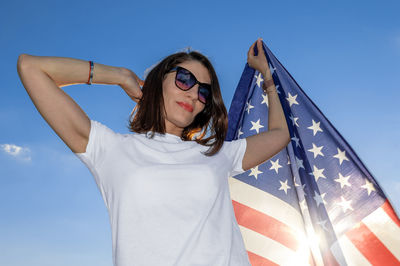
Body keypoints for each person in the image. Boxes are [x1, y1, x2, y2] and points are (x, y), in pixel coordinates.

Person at [17, 38, 290, 266]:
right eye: (185, 79)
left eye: (204, 92)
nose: (194, 94)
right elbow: (30, 68)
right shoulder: (109, 149)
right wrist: (120, 76)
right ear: (158, 81)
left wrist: (266, 75)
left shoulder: (218, 154)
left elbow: (280, 134)